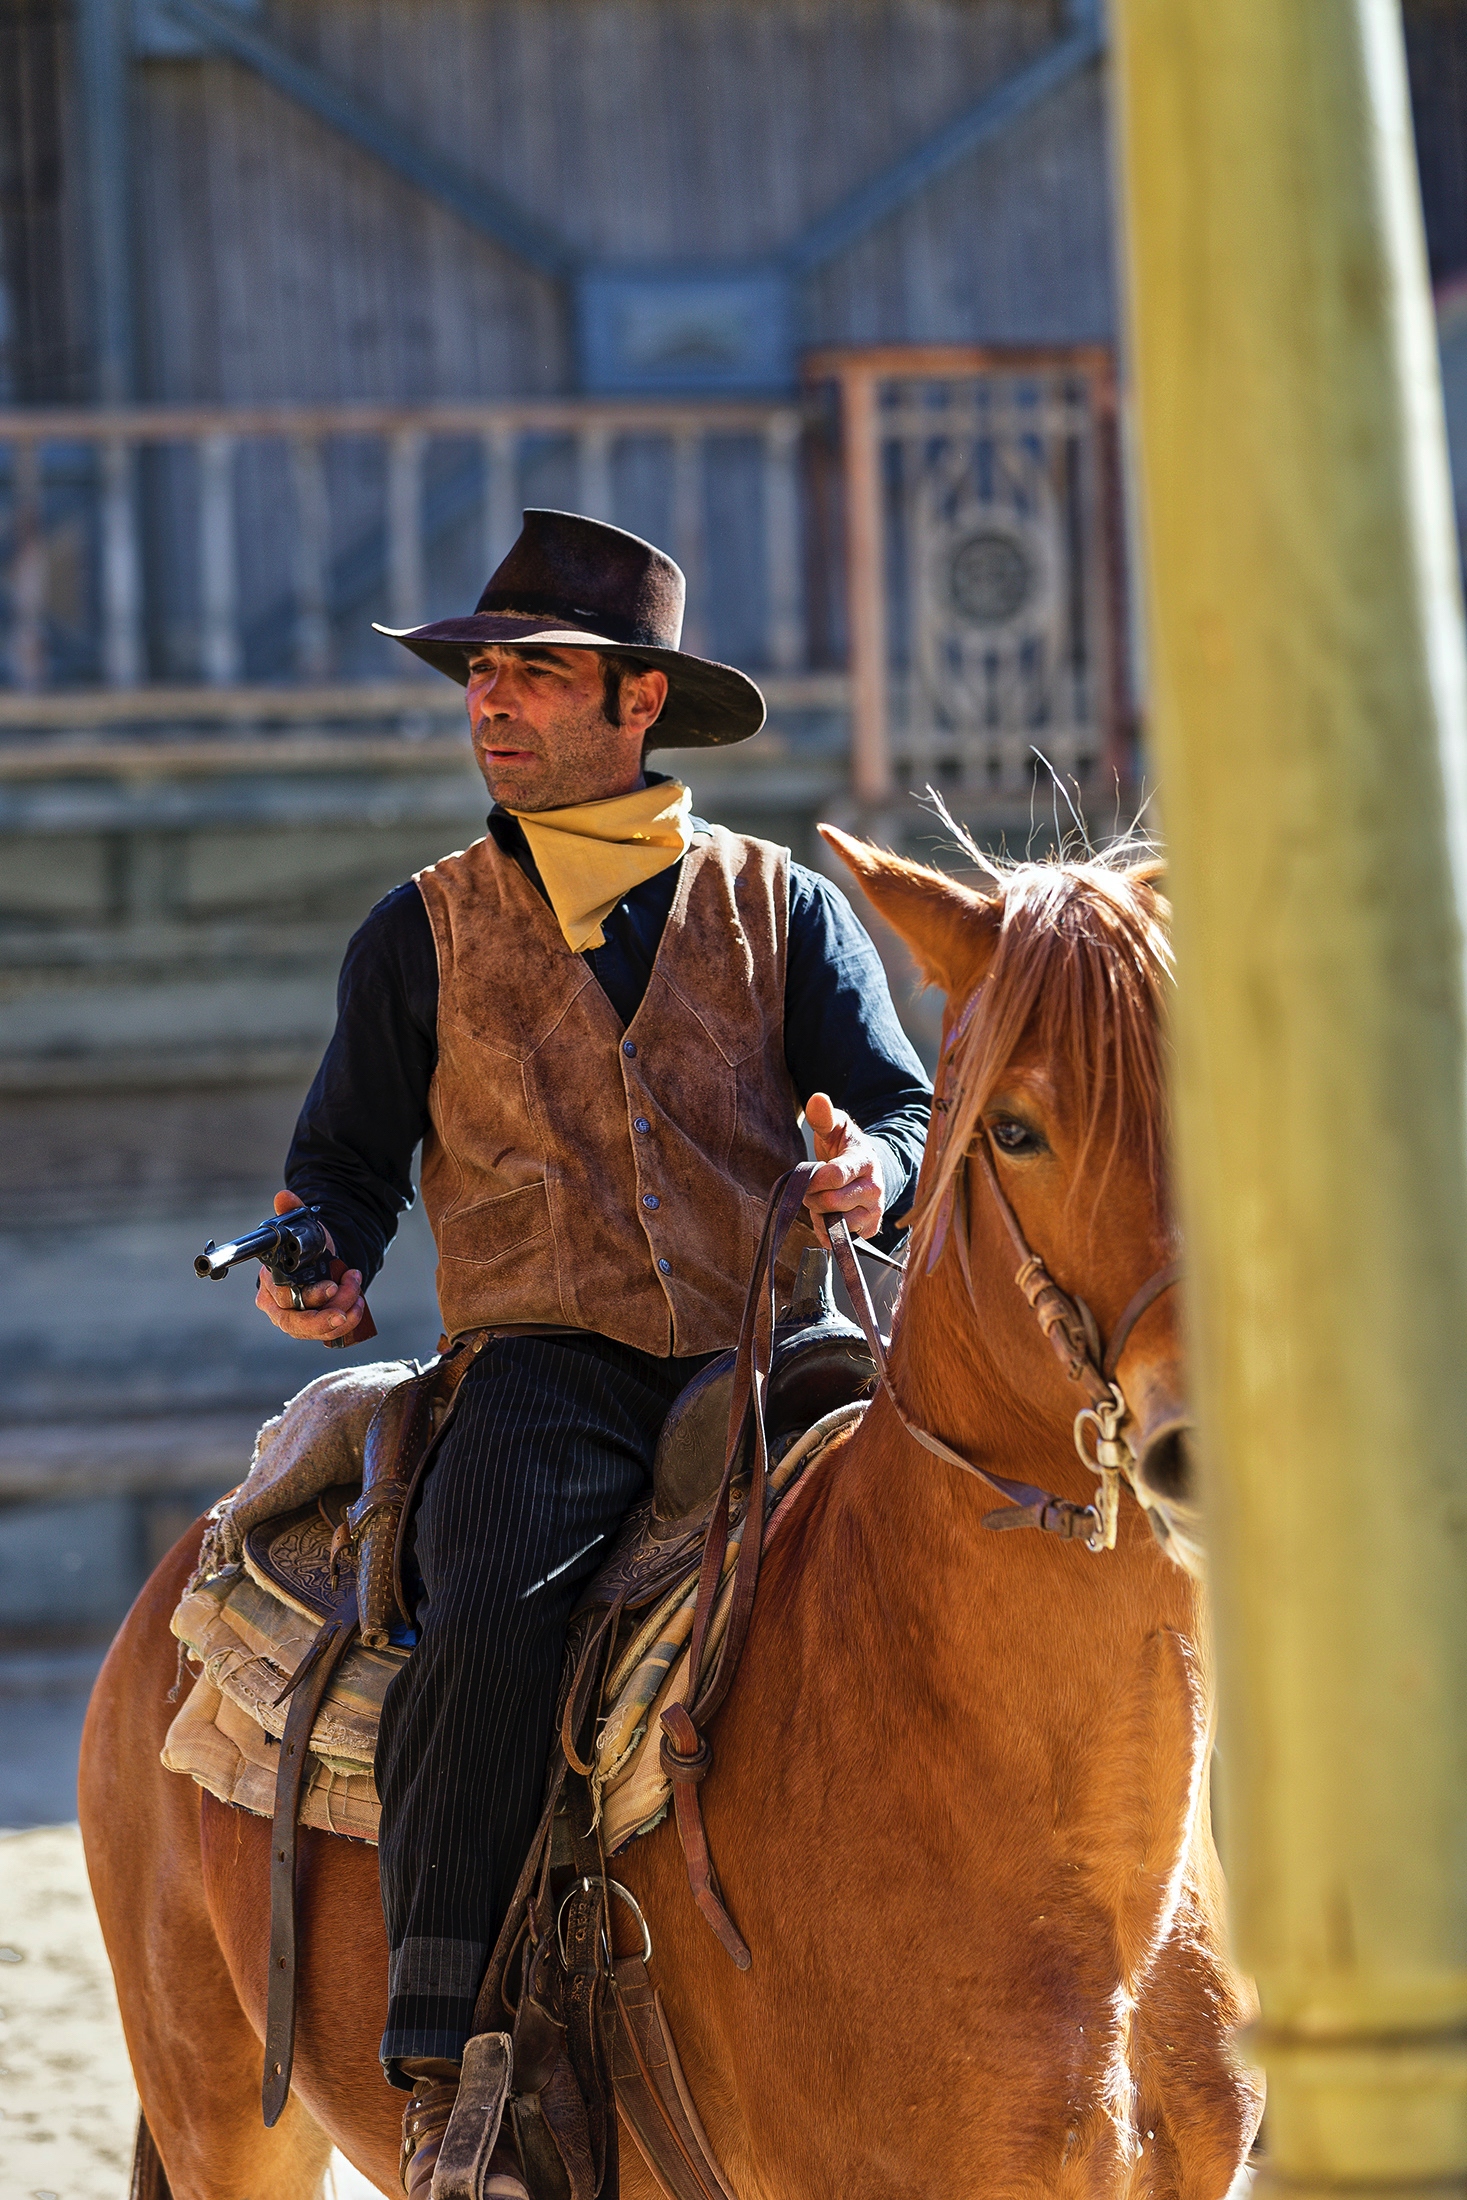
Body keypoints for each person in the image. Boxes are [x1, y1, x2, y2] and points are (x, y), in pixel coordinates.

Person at [251, 509, 931, 2195]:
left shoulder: (789, 909)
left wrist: (877, 1170)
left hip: (785, 1345)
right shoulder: (412, 935)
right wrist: (318, 1264)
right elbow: (337, 1174)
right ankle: (449, 2058)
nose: (491, 703)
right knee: (499, 1604)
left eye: (532, 675)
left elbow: (908, 1108)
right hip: (547, 1372)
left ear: (637, 704)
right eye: (482, 675)